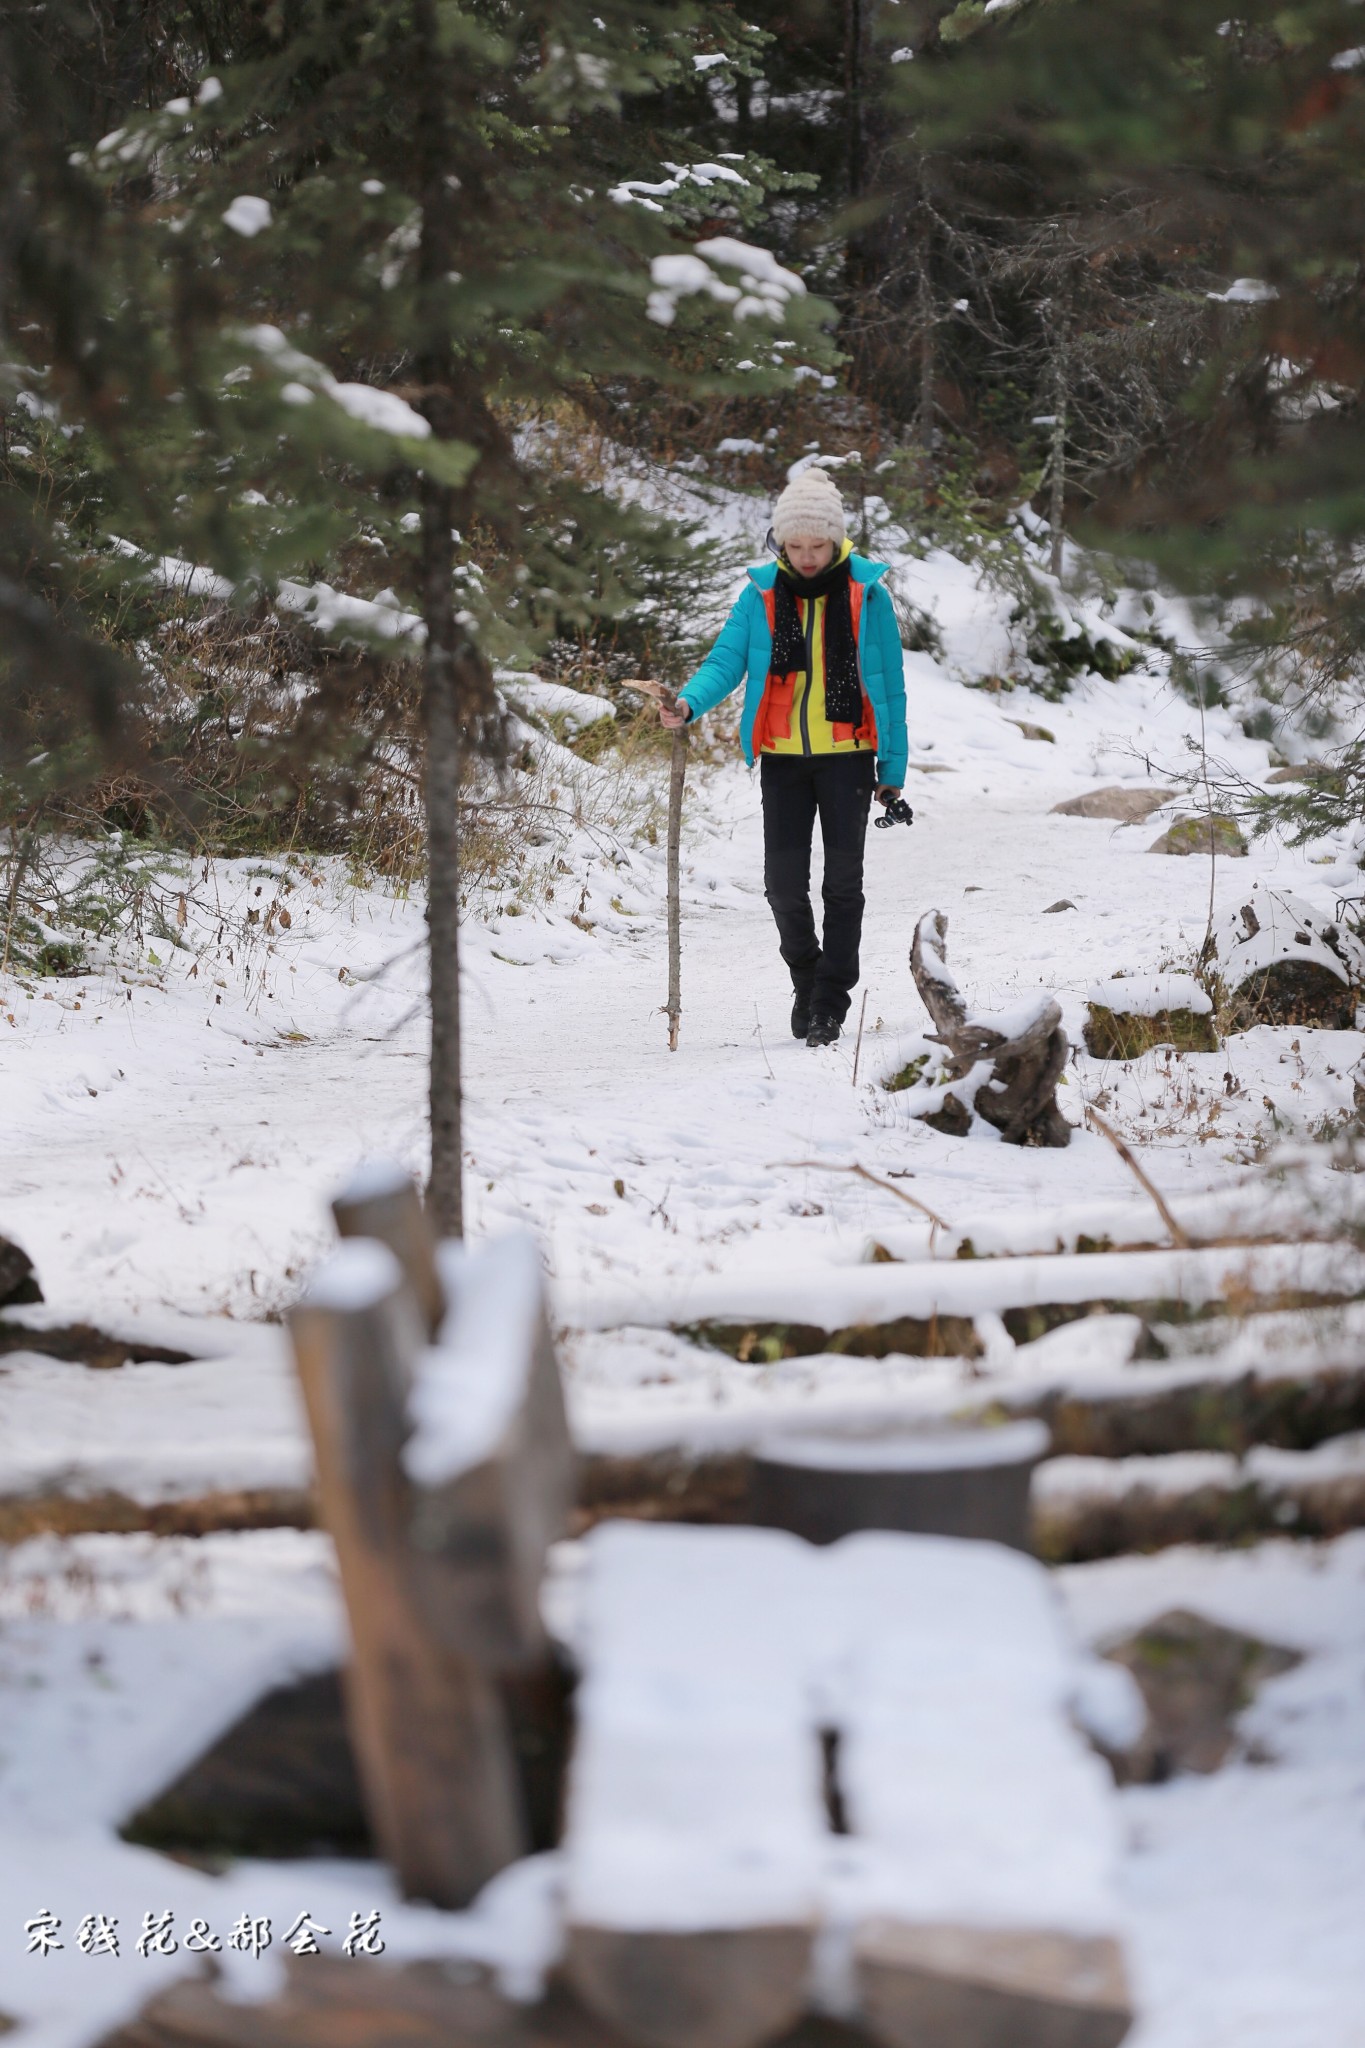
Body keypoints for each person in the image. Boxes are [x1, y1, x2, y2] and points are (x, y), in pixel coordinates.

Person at [659, 467, 907, 1047]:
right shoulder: (761, 594)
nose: (807, 556)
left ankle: (830, 1001)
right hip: (785, 761)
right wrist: (689, 702)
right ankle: (807, 977)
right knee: (782, 885)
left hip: (849, 755)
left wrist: (891, 772)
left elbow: (890, 685)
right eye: (794, 546)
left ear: (836, 538)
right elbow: (726, 661)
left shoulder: (867, 595)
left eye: (817, 545)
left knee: (843, 885)